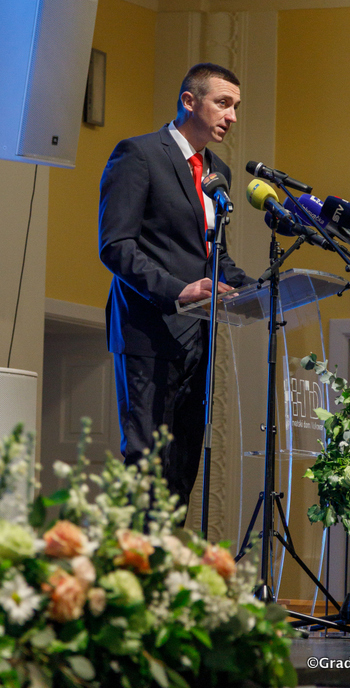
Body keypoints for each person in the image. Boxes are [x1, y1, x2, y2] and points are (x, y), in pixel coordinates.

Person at [99, 62, 253, 510]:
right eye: (223, 103)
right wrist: (177, 290)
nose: (232, 116)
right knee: (147, 465)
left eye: (236, 107)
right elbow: (116, 246)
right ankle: (134, 555)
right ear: (189, 101)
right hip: (148, 331)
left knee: (182, 468)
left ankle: (167, 554)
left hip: (198, 338)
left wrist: (261, 288)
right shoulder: (139, 154)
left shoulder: (217, 171)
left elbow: (213, 255)